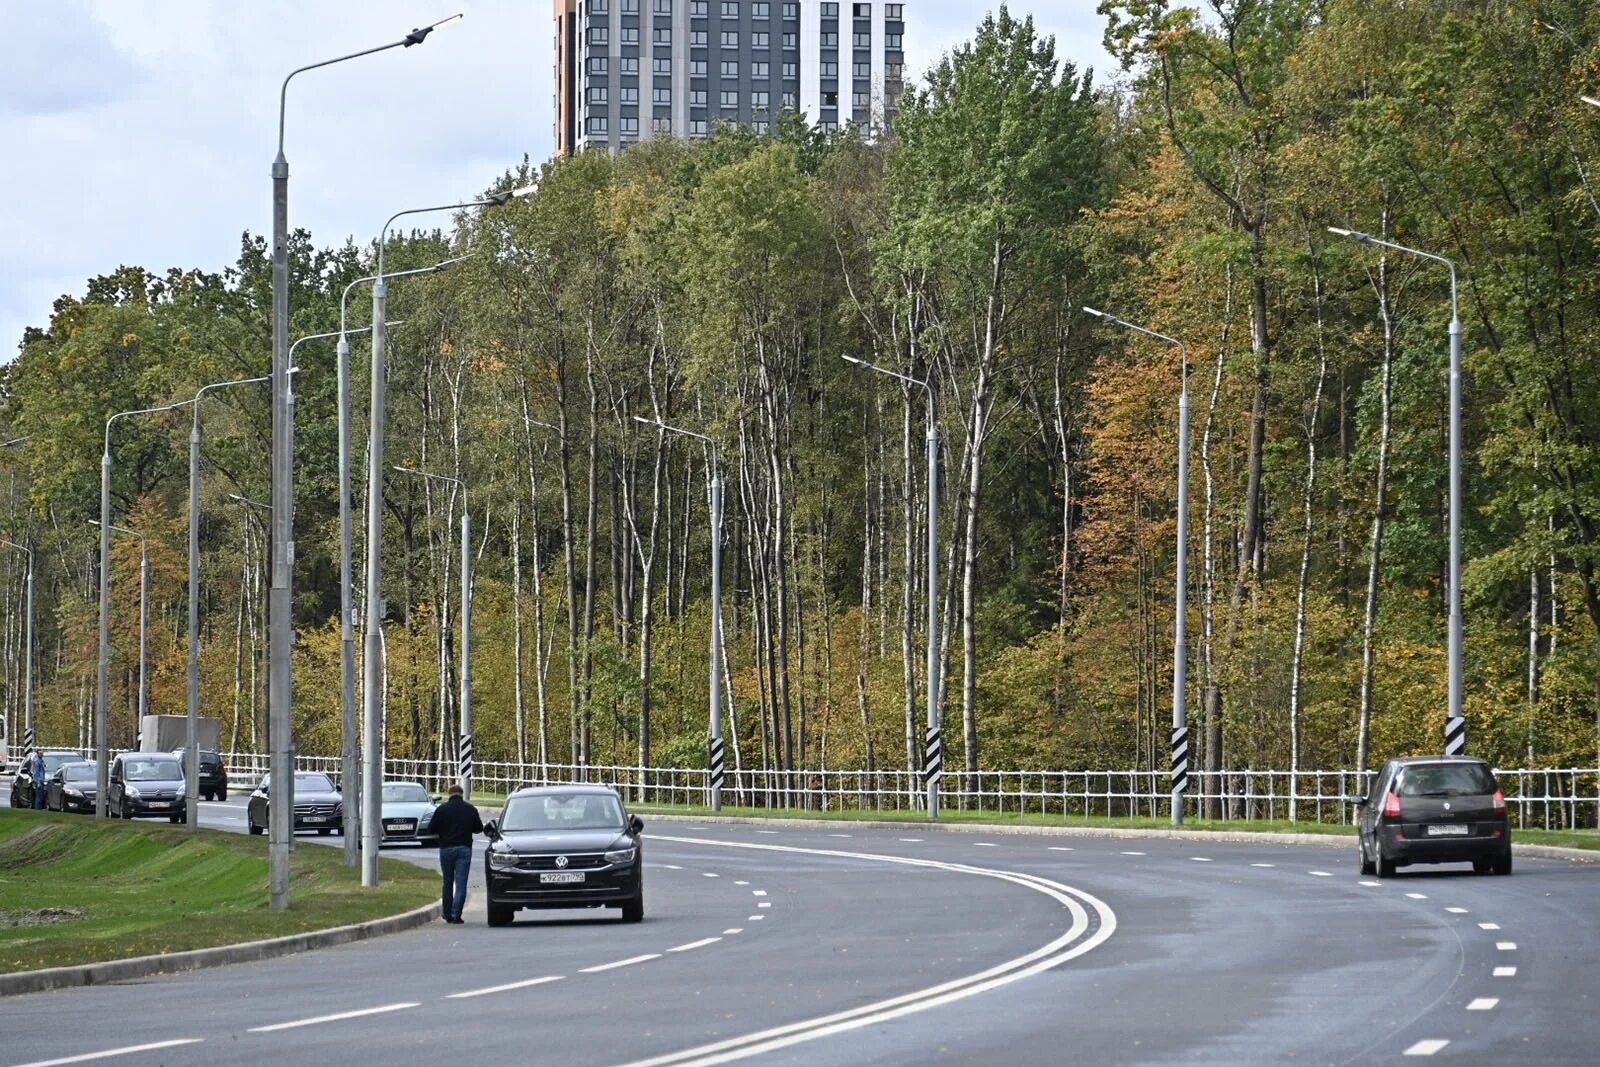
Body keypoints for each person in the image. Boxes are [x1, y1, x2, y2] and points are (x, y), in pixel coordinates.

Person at [427, 784, 483, 924]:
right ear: (462, 794)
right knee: (461, 883)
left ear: (449, 794)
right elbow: (478, 828)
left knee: (447, 882)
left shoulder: (442, 809)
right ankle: (456, 914)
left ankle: (447, 913)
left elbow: (431, 829)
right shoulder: (470, 809)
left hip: (446, 849)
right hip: (464, 849)